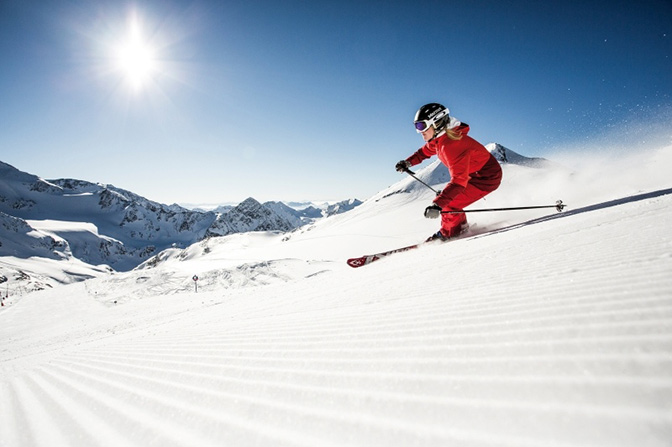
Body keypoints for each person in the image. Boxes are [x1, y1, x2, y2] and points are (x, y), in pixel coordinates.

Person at [395, 103, 502, 241]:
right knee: (447, 198)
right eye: (416, 126)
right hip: (474, 174)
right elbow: (424, 152)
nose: (419, 131)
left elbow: (458, 181)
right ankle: (460, 228)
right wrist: (408, 162)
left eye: (422, 126)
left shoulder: (451, 145)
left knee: (448, 203)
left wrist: (439, 204)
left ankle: (450, 234)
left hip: (486, 177)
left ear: (437, 122)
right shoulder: (440, 139)